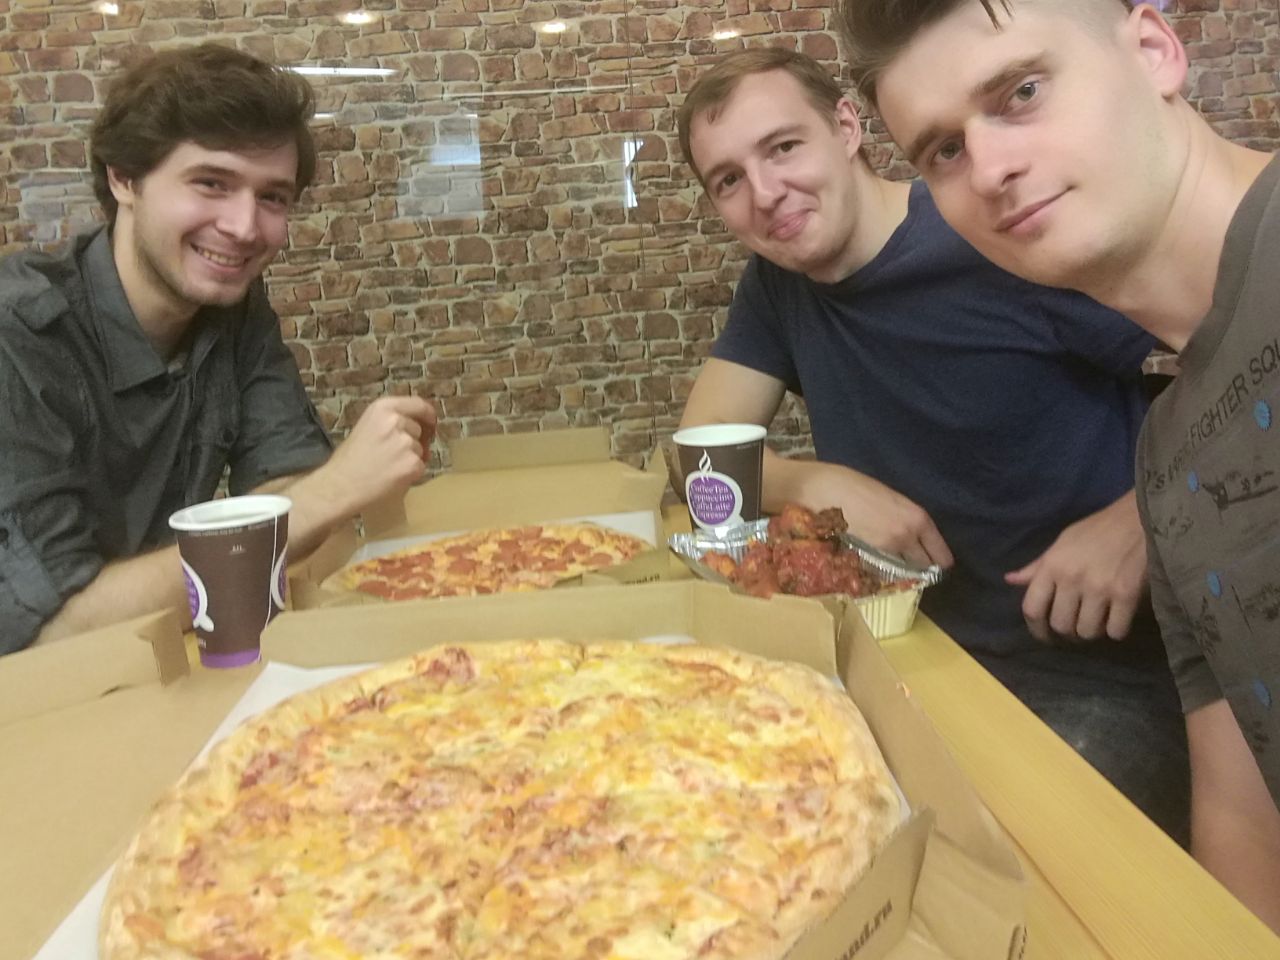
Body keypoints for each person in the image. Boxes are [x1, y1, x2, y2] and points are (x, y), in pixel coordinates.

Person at [835, 0, 1280, 930]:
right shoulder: (1167, 460)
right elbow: (1247, 830)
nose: (989, 169)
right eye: (943, 151)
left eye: (1022, 93)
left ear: (1154, 51)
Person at [675, 47, 1190, 842]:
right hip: (907, 655)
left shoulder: (993, 228)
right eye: (729, 180)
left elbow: (1248, 369)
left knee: (992, 865)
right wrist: (813, 484)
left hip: (1100, 674)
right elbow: (696, 458)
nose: (766, 194)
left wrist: (1144, 517)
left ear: (847, 127)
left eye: (783, 147)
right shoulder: (776, 284)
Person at [0, 44, 436, 654]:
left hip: (164, 665)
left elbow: (292, 489)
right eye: (211, 183)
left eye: (272, 197)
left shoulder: (233, 307)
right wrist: (333, 492)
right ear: (124, 178)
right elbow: (58, 630)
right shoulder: (18, 332)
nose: (244, 227)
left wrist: (307, 504)